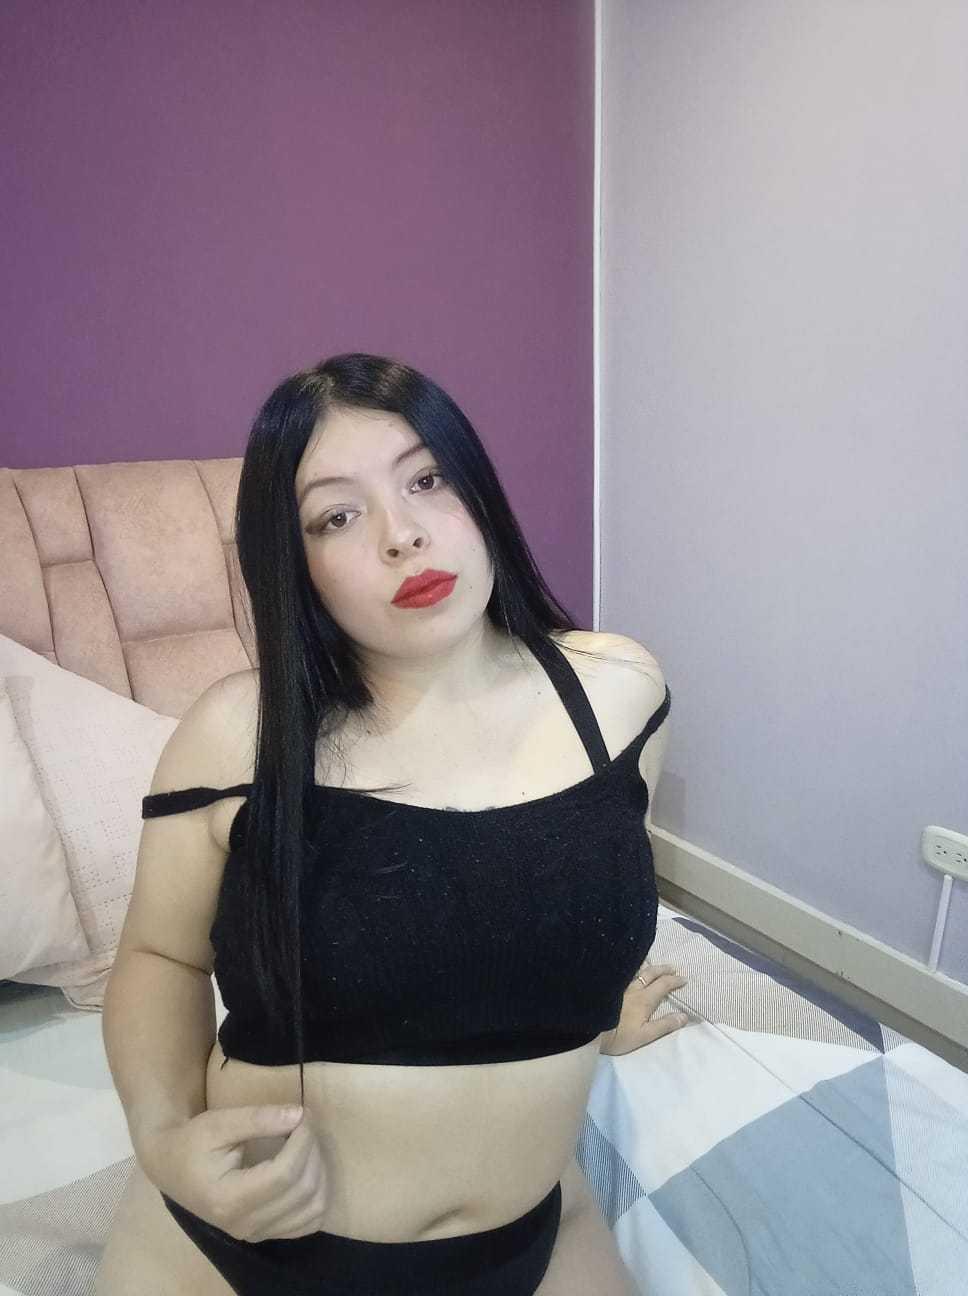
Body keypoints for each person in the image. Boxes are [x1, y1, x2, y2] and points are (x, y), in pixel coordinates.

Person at [96, 353, 684, 1296]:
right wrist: (164, 1141)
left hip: (527, 1239)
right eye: (337, 516)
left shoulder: (619, 693)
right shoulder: (238, 735)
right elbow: (160, 958)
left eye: (427, 479)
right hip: (242, 1249)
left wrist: (593, 1008)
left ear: (478, 489)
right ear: (295, 564)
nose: (401, 535)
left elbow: (577, 885)